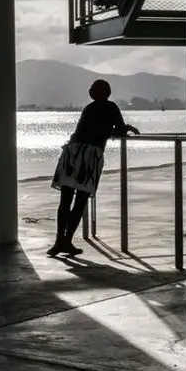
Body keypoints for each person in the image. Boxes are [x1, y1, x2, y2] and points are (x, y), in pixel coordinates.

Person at [48, 79, 140, 256]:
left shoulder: (89, 108)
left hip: (72, 153)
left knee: (65, 200)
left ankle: (60, 240)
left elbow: (81, 132)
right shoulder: (111, 107)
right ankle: (66, 241)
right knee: (80, 200)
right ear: (107, 92)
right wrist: (126, 128)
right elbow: (118, 130)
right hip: (90, 157)